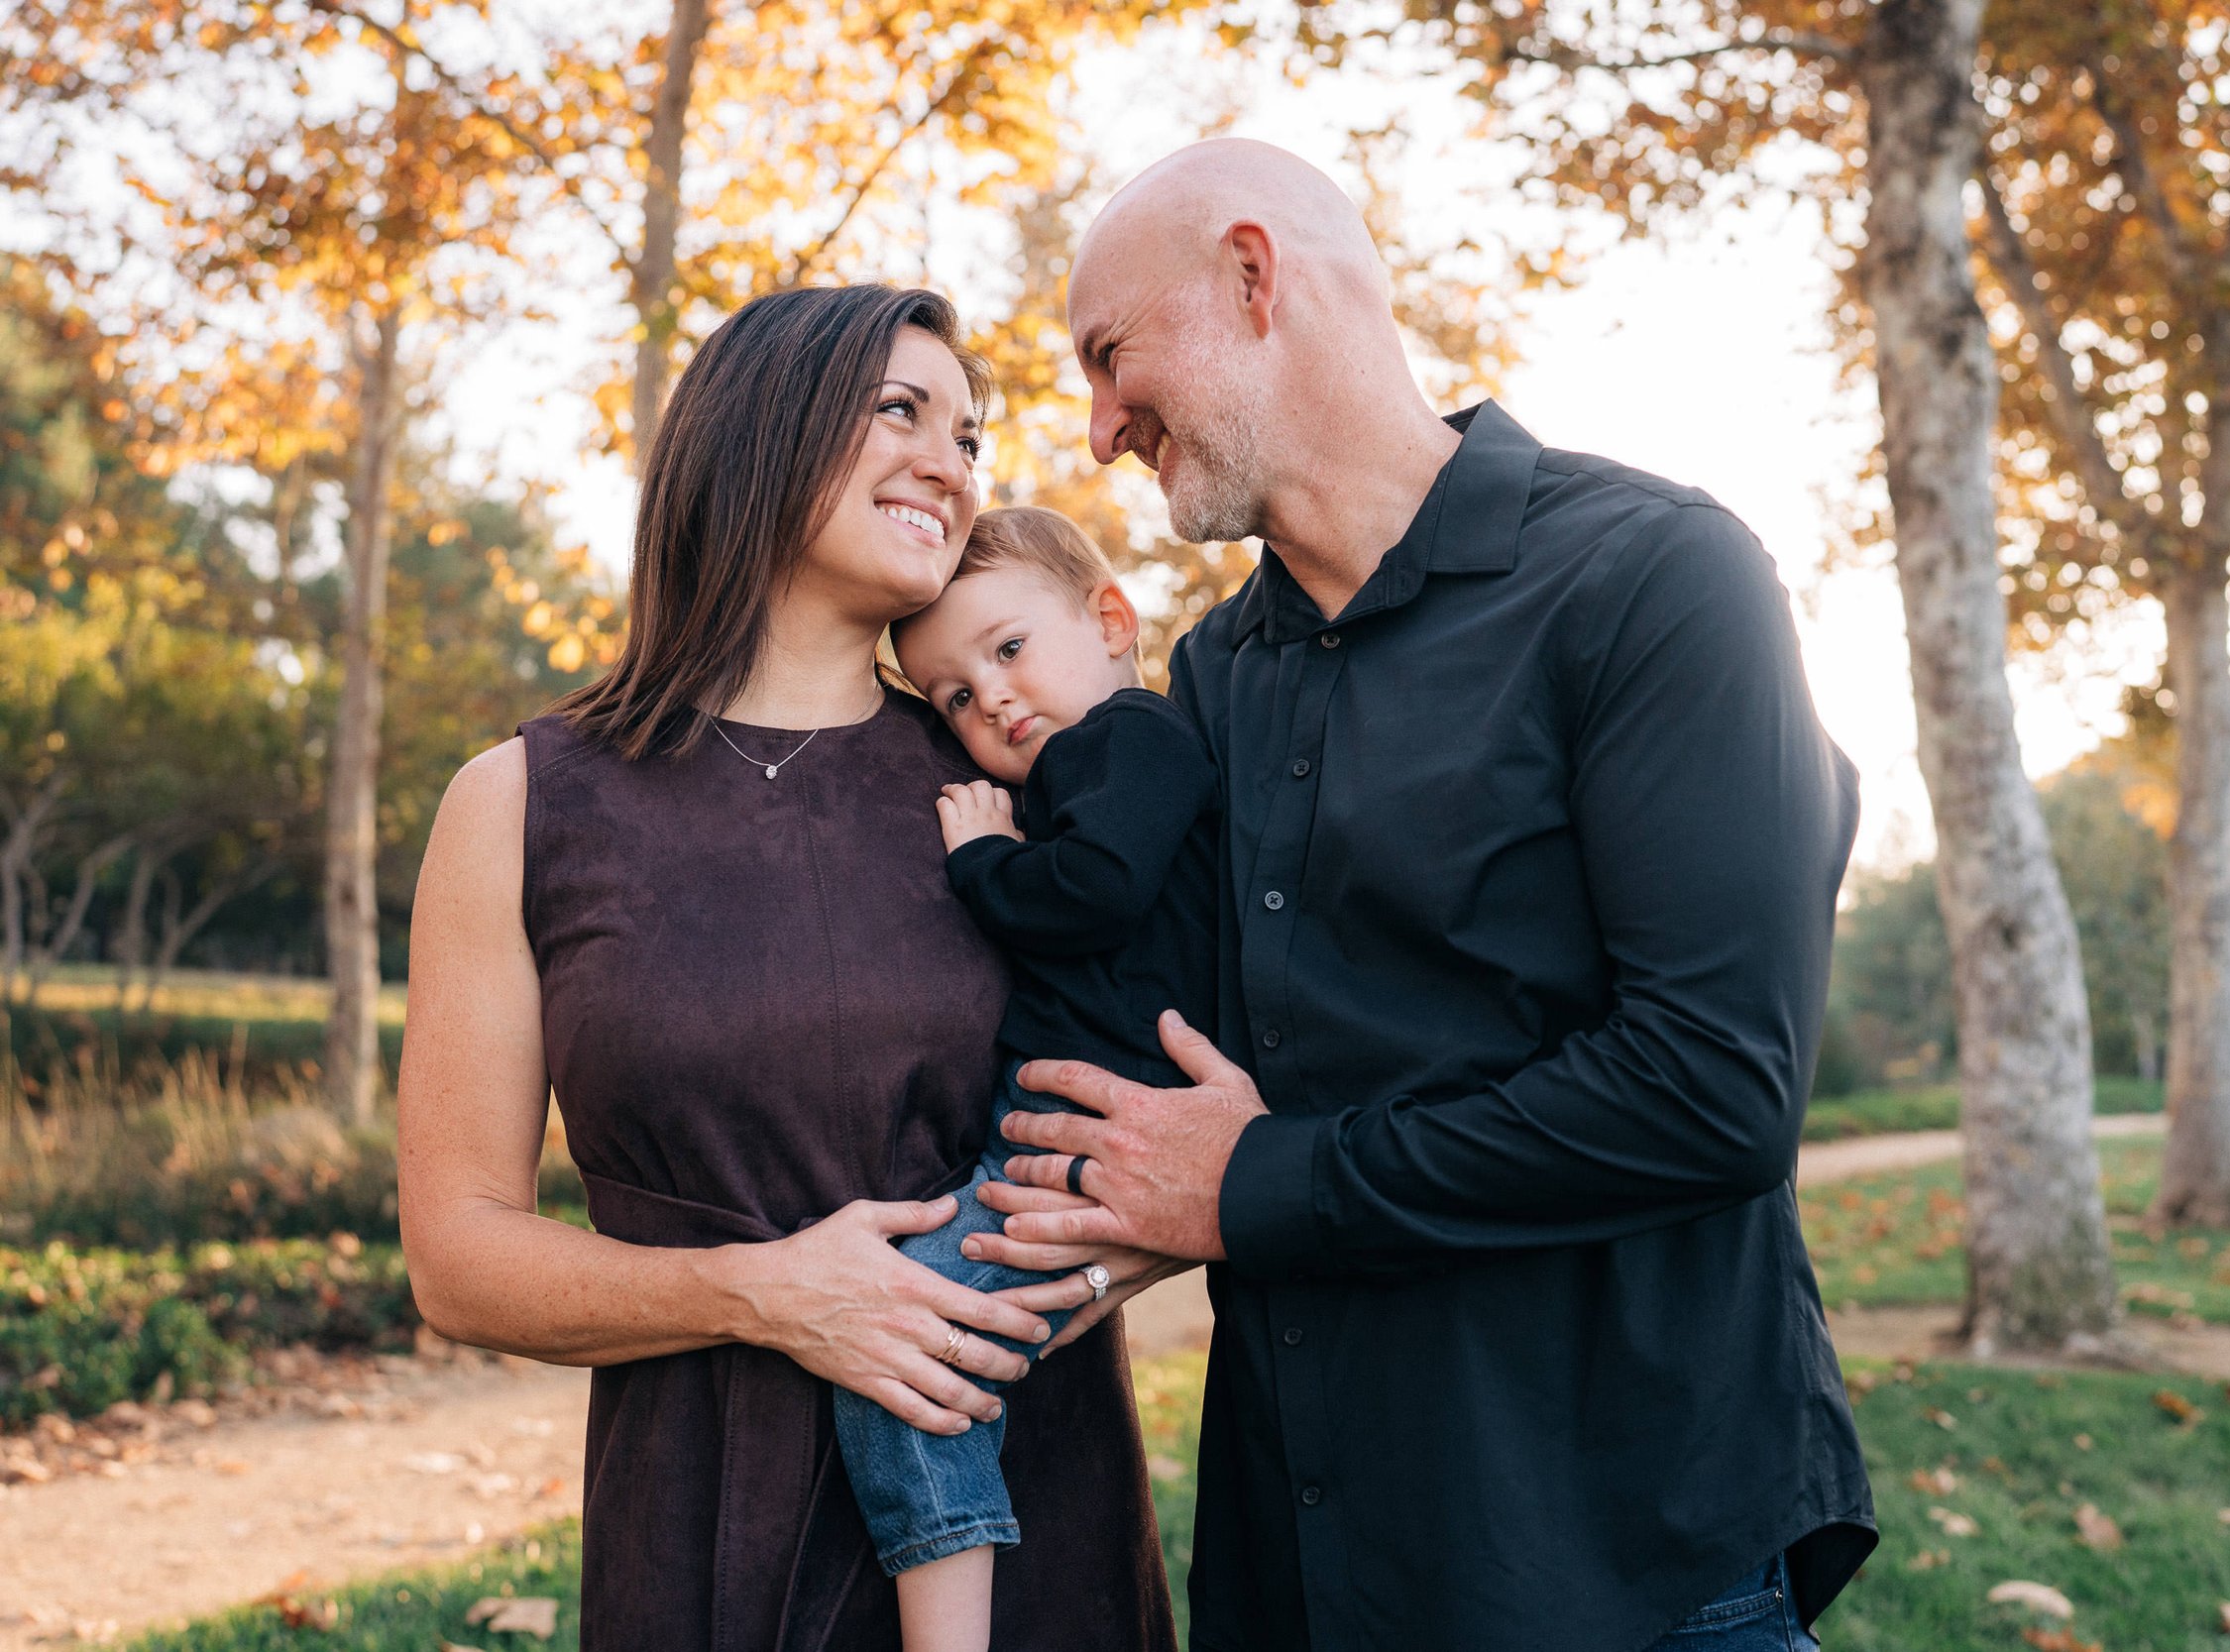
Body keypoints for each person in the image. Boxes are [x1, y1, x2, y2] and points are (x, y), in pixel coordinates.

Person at [969, 139, 1881, 1649]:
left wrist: (1247, 1184)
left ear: (1254, 277)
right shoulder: (1208, 680)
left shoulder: (1656, 579)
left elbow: (1715, 1085)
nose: (1097, 426)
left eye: (1111, 357)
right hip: (1304, 1568)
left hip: (1619, 1555)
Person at [393, 285, 1178, 1652]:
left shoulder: (1022, 782)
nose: (952, 459)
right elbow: (458, 1256)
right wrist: (759, 1291)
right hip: (703, 1523)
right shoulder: (523, 799)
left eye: (971, 435)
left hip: (1017, 1510)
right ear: (760, 428)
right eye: (900, 410)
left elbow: (1187, 1109)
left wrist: (1080, 1275)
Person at [835, 504, 1218, 1651]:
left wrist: (983, 863)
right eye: (954, 694)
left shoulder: (1132, 740)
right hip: (1052, 1146)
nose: (990, 698)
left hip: (1089, 1145)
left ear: (1110, 619)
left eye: (1008, 649)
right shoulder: (1084, 763)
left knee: (902, 1363)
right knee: (938, 1348)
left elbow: (1094, 889)